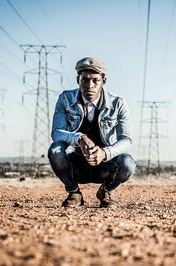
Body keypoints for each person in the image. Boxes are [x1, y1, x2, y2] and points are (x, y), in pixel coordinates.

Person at [48, 57, 136, 208]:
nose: (90, 85)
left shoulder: (118, 103)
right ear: (78, 80)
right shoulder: (65, 99)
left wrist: (105, 153)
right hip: (76, 165)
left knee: (128, 163)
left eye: (95, 80)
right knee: (55, 149)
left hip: (104, 166)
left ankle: (106, 192)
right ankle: (74, 193)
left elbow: (126, 139)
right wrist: (79, 138)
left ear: (104, 81)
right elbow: (56, 133)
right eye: (85, 80)